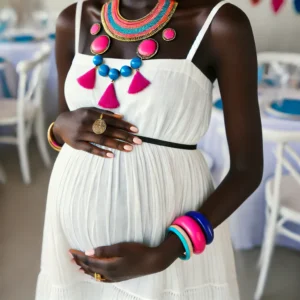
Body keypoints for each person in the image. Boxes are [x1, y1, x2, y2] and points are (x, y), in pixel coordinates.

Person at [36, 0, 263, 299]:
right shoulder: (73, 19)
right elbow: (66, 126)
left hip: (168, 245)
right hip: (71, 237)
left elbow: (247, 171)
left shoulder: (220, 23)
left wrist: (166, 251)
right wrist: (58, 128)